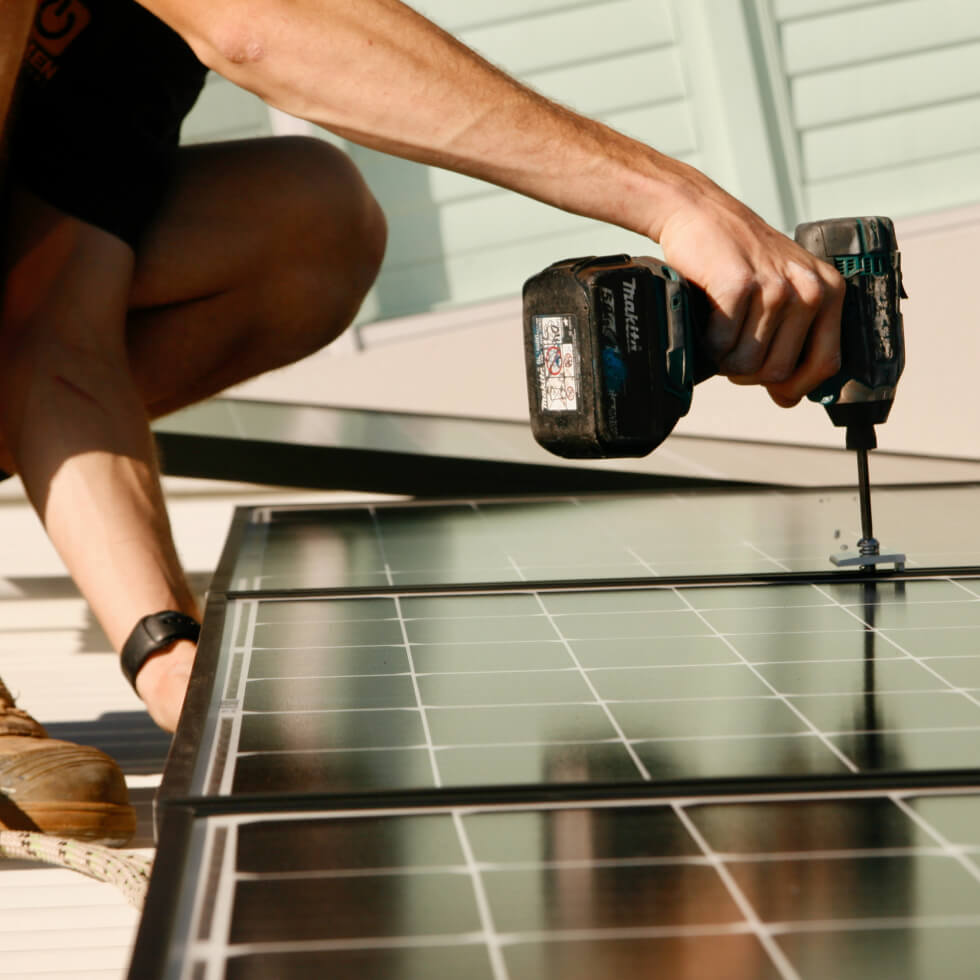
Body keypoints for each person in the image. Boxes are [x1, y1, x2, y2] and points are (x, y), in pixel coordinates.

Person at [0, 0, 844, 842]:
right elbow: (255, 24)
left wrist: (167, 657)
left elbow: (56, 340)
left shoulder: (124, 50)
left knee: (311, 219)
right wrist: (675, 201)